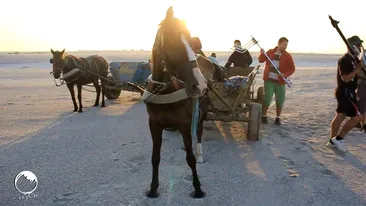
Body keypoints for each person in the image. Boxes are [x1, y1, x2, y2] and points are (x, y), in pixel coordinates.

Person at [328, 36, 364, 152]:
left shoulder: (354, 59)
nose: (360, 47)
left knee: (341, 115)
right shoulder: (345, 60)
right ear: (352, 46)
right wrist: (356, 70)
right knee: (358, 117)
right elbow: (345, 78)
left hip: (347, 91)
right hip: (346, 91)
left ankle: (332, 141)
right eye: (358, 45)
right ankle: (338, 139)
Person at [258, 37, 295, 125]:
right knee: (267, 99)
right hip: (269, 81)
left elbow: (292, 68)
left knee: (280, 100)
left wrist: (285, 74)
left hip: (280, 82)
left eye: (286, 45)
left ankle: (278, 118)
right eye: (284, 44)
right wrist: (262, 54)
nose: (285, 46)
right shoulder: (270, 52)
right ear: (279, 44)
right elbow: (261, 60)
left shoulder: (287, 56)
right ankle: (264, 116)